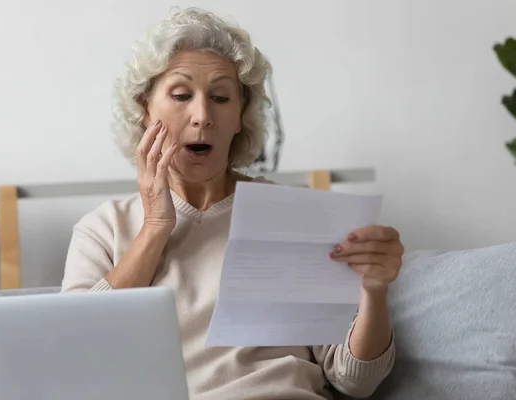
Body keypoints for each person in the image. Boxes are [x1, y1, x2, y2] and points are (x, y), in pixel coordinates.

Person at [61, 7, 404, 400]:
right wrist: (156, 226)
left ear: (240, 115)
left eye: (221, 97)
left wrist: (374, 291)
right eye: (181, 95)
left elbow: (355, 380)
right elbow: (77, 356)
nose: (202, 116)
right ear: (145, 109)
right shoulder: (102, 230)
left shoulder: (294, 215)